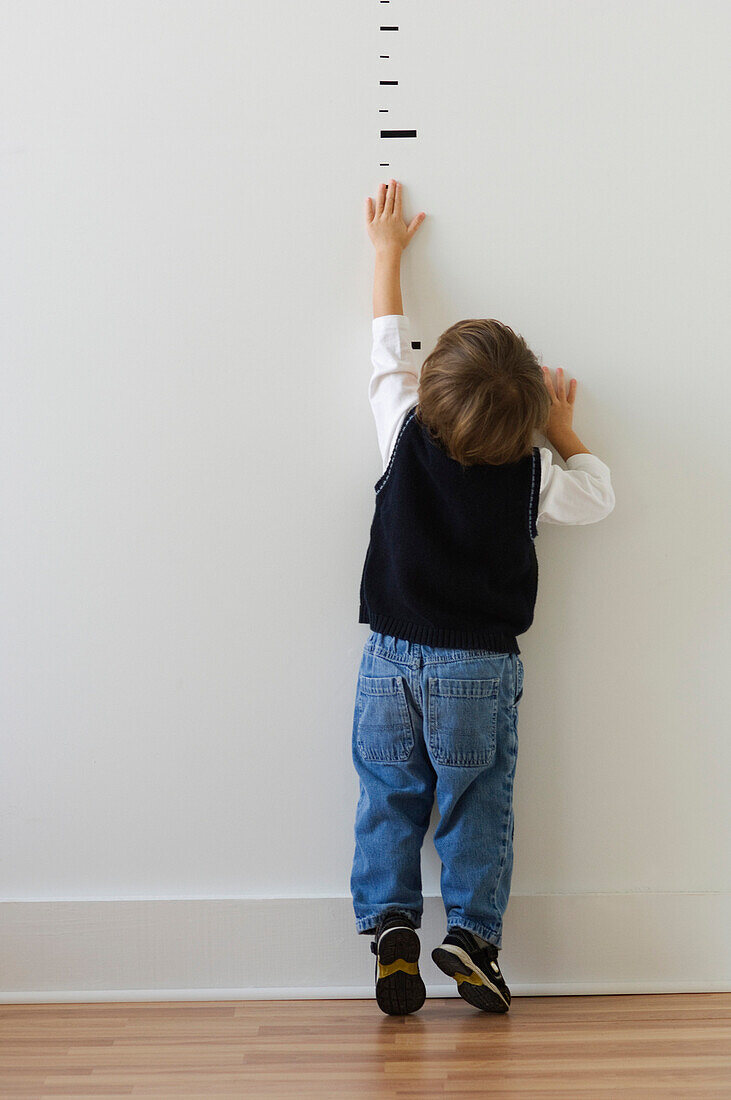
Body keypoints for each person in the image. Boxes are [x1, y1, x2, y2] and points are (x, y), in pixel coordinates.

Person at [351, 179, 616, 1016]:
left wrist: (387, 253)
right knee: (475, 802)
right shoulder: (533, 476)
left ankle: (392, 927)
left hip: (388, 658)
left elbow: (384, 352)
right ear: (526, 419)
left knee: (388, 795)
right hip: (477, 669)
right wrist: (563, 425)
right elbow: (599, 493)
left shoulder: (399, 427)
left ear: (431, 392)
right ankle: (469, 936)